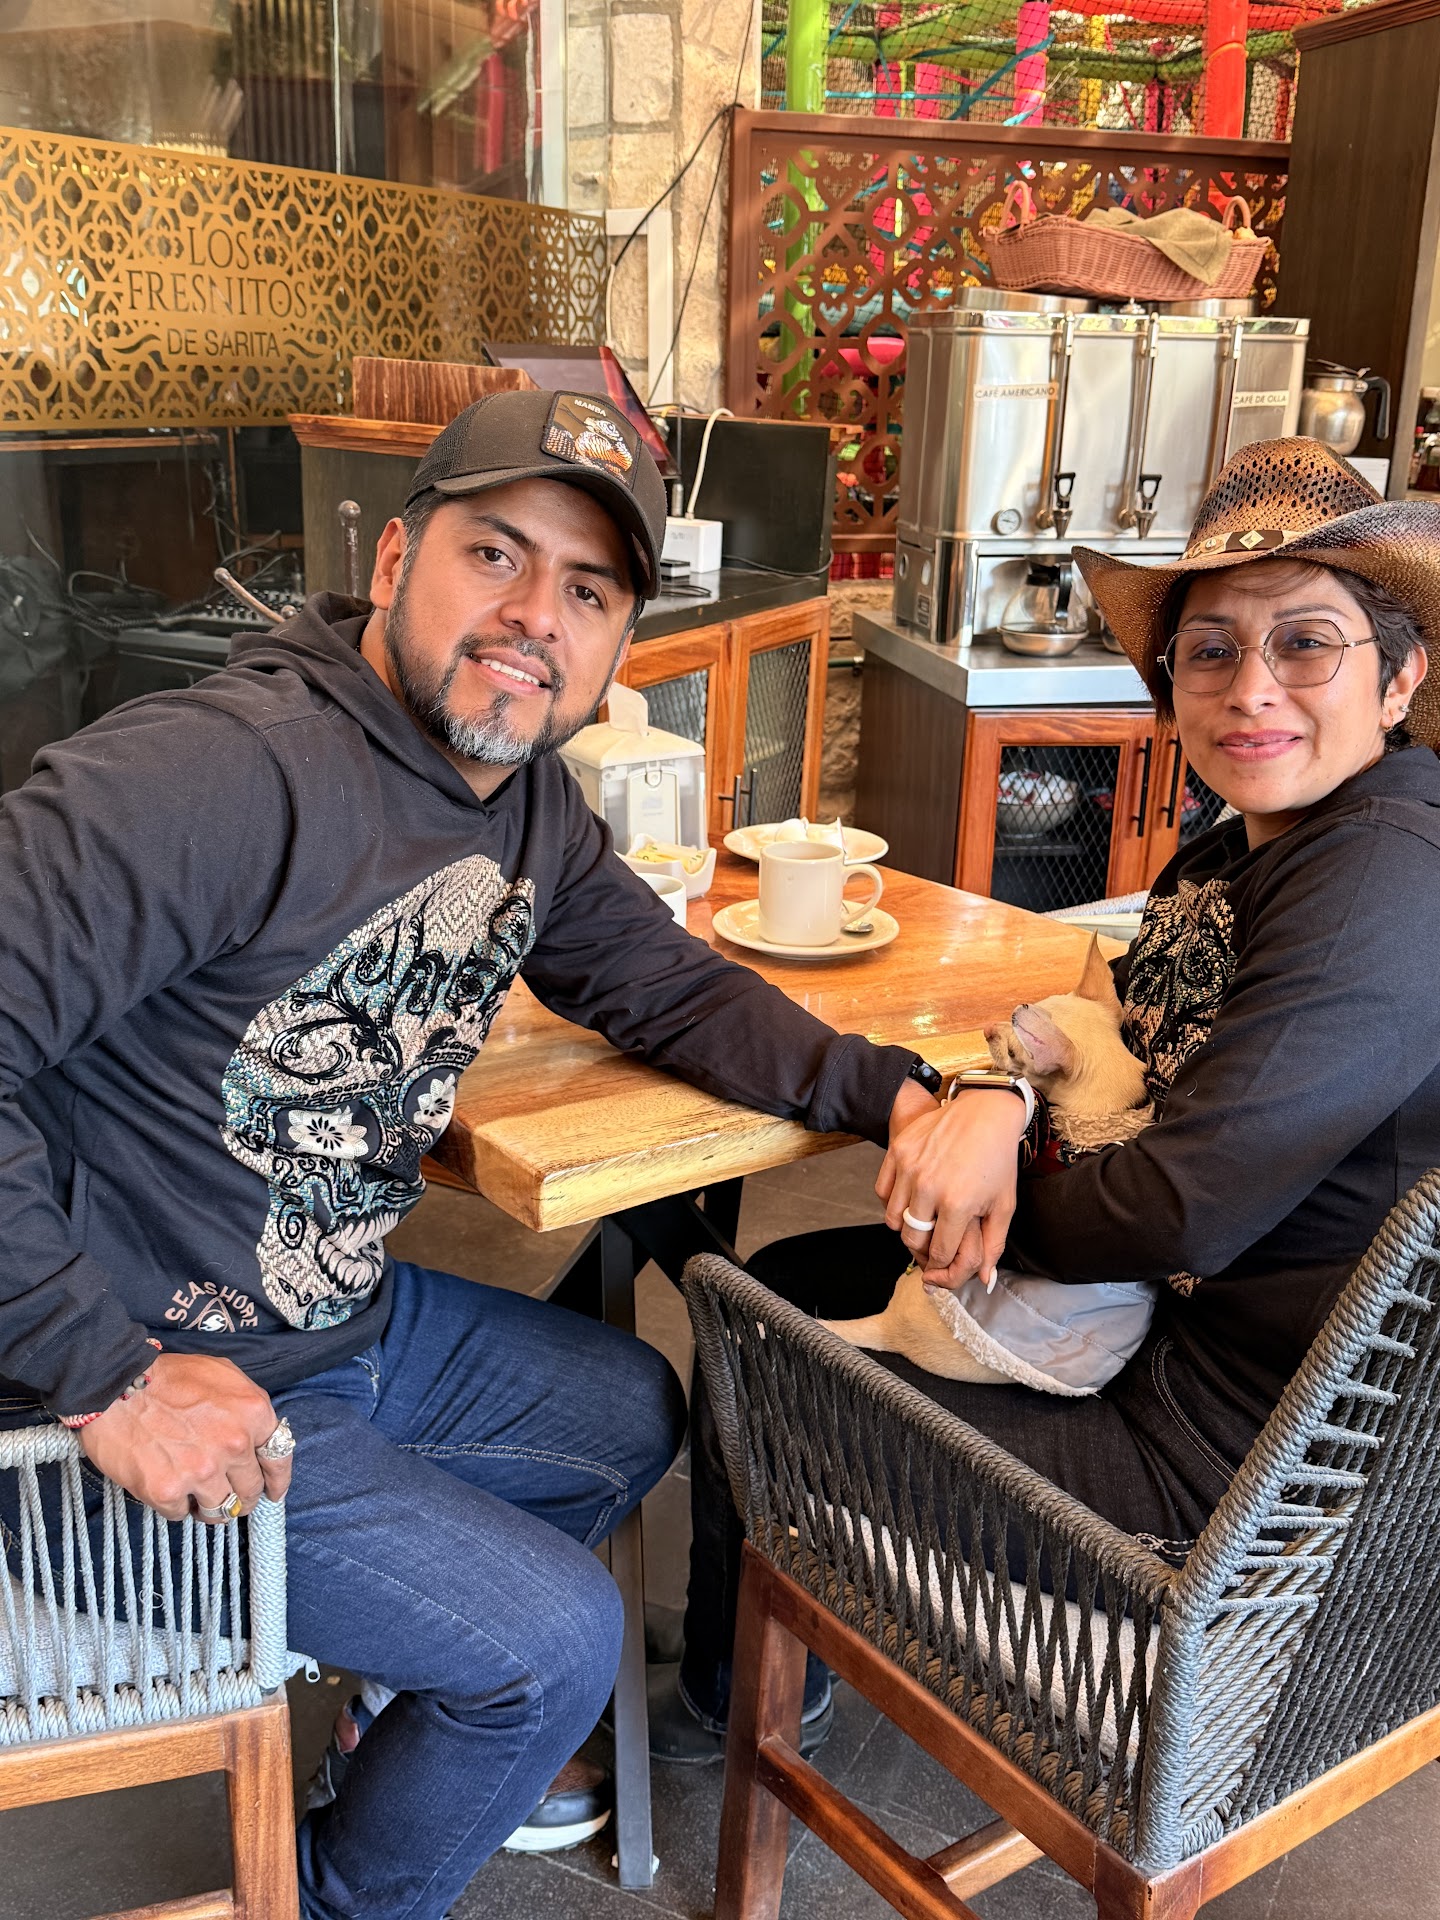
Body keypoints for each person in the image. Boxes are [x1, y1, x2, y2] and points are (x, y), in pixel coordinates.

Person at [0, 388, 944, 1919]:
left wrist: (902, 1099)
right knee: (557, 1646)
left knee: (627, 1405)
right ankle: (336, 1894)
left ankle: (397, 1713)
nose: (534, 618)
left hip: (328, 1331)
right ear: (393, 562)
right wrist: (103, 1375)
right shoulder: (224, 771)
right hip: (93, 1408)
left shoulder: (526, 807)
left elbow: (669, 986)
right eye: (495, 554)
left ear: (618, 644)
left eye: (587, 591)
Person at [660, 437, 1440, 1759]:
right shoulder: (1260, 847)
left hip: (1229, 1478)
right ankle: (772, 1663)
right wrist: (994, 1095)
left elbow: (1180, 1208)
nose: (1253, 687)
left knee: (746, 1345)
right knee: (783, 1277)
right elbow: (1105, 1009)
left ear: (1400, 675)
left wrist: (979, 1193)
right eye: (1210, 650)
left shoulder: (1386, 871)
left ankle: (731, 1716)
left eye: (1306, 644)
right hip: (1157, 1344)